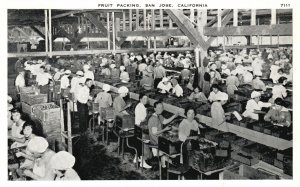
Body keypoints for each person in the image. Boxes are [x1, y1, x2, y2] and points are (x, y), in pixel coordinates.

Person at [148, 100, 179, 168]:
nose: (161, 109)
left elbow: (165, 121)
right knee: (173, 151)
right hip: (155, 140)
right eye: (158, 108)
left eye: (162, 107)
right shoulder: (153, 119)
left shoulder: (159, 116)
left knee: (172, 140)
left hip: (159, 138)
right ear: (154, 108)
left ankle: (165, 160)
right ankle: (167, 159)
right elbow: (154, 132)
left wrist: (174, 116)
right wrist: (165, 129)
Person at [133, 94, 152, 168]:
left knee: (139, 143)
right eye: (144, 99)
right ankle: (143, 162)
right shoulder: (140, 107)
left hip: (138, 126)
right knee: (142, 144)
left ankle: (136, 158)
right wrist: (149, 116)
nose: (145, 100)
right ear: (140, 99)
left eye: (146, 99)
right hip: (140, 127)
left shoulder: (141, 106)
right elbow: (143, 120)